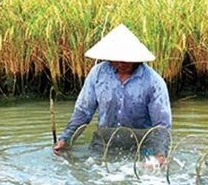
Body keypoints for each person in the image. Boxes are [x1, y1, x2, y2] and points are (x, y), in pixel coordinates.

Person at [53, 24, 172, 166]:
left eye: (127, 59)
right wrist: (66, 139)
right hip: (104, 143)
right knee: (93, 172)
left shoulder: (153, 81)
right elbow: (83, 112)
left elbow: (161, 125)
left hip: (141, 147)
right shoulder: (97, 74)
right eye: (117, 59)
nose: (122, 63)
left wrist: (160, 155)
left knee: (141, 176)